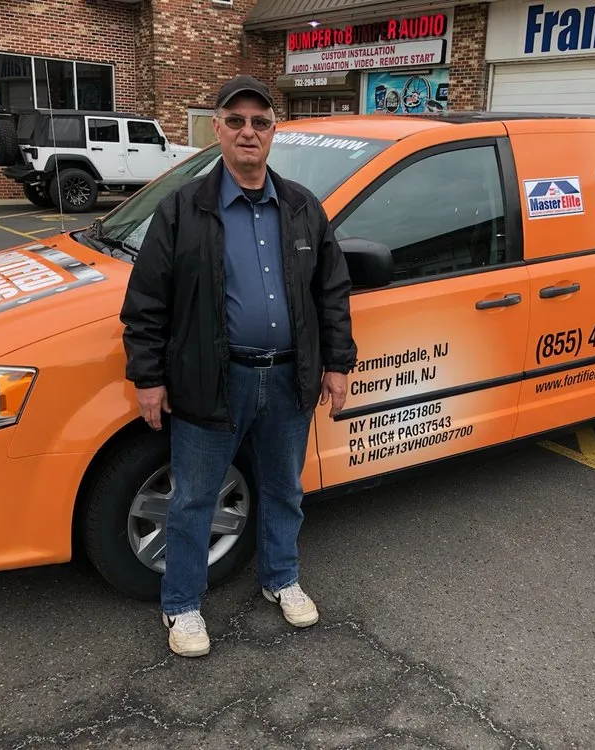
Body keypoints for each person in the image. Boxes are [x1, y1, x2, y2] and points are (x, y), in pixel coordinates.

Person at [119, 74, 357, 658]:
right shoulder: (182, 210)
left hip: (288, 379)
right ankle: (182, 606)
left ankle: (281, 579)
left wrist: (338, 364)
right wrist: (148, 377)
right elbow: (146, 302)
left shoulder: (302, 207)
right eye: (236, 121)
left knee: (284, 489)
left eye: (260, 121)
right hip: (211, 381)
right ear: (218, 130)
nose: (248, 132)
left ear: (274, 132)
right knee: (193, 498)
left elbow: (332, 292)